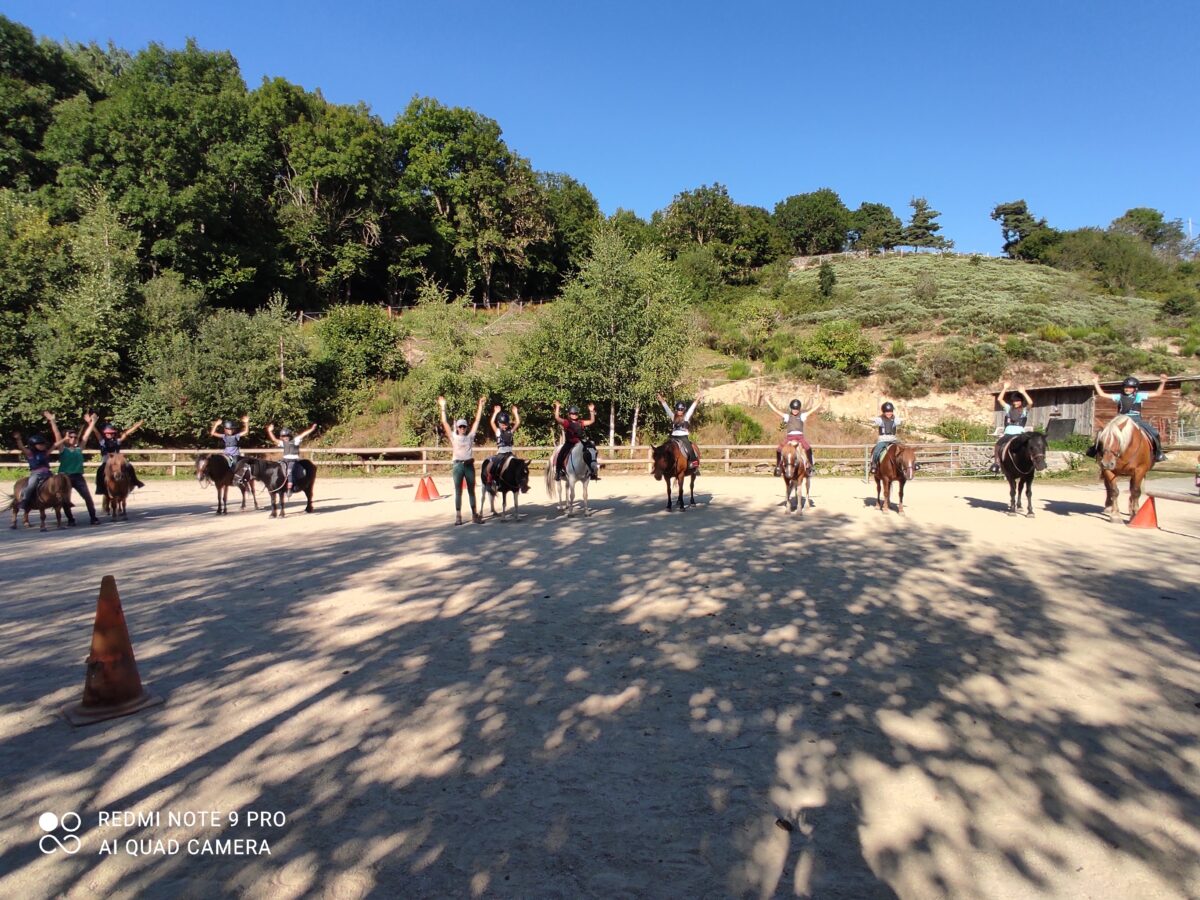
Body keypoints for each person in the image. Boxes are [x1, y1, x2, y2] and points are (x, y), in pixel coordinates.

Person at [1089, 374, 1168, 463]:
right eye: (1126, 387)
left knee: (1154, 432)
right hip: (1121, 419)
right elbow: (1102, 394)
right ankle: (1095, 450)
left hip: (1136, 419)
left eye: (1130, 387)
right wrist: (1095, 383)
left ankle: (1158, 453)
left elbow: (1157, 393)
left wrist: (1162, 383)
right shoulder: (1119, 396)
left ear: (1135, 389)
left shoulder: (1139, 396)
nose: (1127, 389)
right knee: (1105, 432)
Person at [438, 395, 486, 525]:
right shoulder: (453, 437)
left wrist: (480, 406)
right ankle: (458, 516)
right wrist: (443, 407)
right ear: (457, 428)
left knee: (471, 491)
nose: (462, 428)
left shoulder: (470, 436)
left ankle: (474, 515)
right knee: (458, 491)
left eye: (464, 426)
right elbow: (445, 423)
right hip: (458, 466)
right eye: (460, 427)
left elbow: (477, 421)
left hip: (469, 465)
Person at [44, 411, 98, 525]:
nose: (73, 439)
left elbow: (86, 436)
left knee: (87, 497)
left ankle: (93, 518)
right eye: (71, 437)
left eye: (75, 437)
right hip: (65, 477)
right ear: (67, 438)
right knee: (65, 499)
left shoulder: (79, 449)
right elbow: (57, 434)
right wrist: (52, 421)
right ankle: (70, 519)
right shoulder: (63, 449)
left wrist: (93, 422)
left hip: (78, 476)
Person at [766, 391, 823, 476]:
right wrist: (768, 401)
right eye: (793, 409)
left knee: (808, 448)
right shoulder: (787, 416)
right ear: (791, 408)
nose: (795, 411)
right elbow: (776, 410)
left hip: (800, 437)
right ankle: (778, 467)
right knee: (779, 449)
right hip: (789, 437)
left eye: (796, 409)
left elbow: (812, 410)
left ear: (799, 409)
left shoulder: (802, 416)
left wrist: (820, 402)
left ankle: (811, 466)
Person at [91, 418, 145, 496]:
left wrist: (135, 427)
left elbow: (126, 434)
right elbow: (96, 433)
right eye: (107, 433)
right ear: (105, 434)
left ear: (113, 434)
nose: (109, 434)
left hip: (117, 460)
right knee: (100, 470)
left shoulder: (117, 441)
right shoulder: (102, 441)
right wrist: (91, 423)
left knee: (129, 466)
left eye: (111, 433)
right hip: (107, 460)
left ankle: (135, 481)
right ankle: (99, 487)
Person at [990, 382, 1033, 473]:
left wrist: (1024, 392)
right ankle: (997, 463)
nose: (1015, 402)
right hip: (1008, 433)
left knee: (1030, 445)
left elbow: (1030, 402)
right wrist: (1005, 388)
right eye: (1014, 401)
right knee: (998, 444)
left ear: (1021, 402)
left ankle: (1032, 461)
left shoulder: (1024, 410)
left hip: (1019, 434)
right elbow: (999, 399)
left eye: (1017, 401)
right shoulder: (1008, 408)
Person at [553, 402, 601, 481]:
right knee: (561, 454)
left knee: (591, 448)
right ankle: (558, 471)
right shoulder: (566, 422)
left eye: (575, 413)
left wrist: (591, 411)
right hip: (569, 443)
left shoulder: (581, 422)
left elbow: (592, 421)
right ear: (569, 414)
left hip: (579, 443)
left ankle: (592, 472)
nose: (574, 415)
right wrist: (557, 407)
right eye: (572, 413)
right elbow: (557, 418)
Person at [266, 422, 318, 494]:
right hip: (284, 460)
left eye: (287, 436)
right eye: (283, 436)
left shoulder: (295, 441)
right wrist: (270, 431)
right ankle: (277, 485)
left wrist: (312, 429)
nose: (285, 437)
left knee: (289, 471)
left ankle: (290, 488)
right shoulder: (282, 443)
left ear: (290, 436)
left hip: (293, 460)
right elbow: (274, 439)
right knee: (276, 470)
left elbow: (303, 434)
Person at [12, 428, 53, 518]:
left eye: (43, 444)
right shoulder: (30, 453)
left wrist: (63, 439)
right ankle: (25, 500)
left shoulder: (45, 453)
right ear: (34, 445)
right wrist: (18, 439)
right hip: (36, 474)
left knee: (58, 483)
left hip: (48, 474)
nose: (42, 446)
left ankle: (61, 501)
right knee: (31, 485)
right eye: (40, 444)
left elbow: (55, 445)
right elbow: (22, 447)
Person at [658, 392, 702, 474]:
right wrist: (661, 400)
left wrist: (697, 399)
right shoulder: (673, 416)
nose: (680, 411)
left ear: (684, 410)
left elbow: (692, 408)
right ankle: (661, 465)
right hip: (674, 437)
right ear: (676, 409)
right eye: (678, 409)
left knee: (690, 449)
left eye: (681, 409)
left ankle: (694, 465)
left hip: (683, 437)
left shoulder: (686, 416)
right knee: (664, 448)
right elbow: (667, 408)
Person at [483, 404, 521, 487]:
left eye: (506, 424)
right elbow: (491, 422)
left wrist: (515, 412)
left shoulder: (510, 431)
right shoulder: (498, 431)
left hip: (510, 453)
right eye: (503, 425)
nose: (505, 426)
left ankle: (519, 481)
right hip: (501, 453)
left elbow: (518, 422)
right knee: (491, 465)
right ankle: (490, 480)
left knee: (519, 465)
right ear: (499, 424)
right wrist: (495, 412)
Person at [211, 415, 251, 484]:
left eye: (232, 429)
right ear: (225, 430)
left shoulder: (236, 436)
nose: (230, 431)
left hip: (234, 454)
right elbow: (212, 433)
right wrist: (216, 425)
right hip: (226, 454)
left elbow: (246, 431)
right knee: (218, 463)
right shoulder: (224, 436)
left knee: (235, 464)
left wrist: (246, 423)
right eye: (229, 429)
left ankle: (236, 477)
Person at [868, 401, 903, 476]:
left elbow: (903, 419)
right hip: (883, 440)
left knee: (904, 448)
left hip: (893, 439)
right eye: (887, 412)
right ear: (883, 412)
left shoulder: (895, 419)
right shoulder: (880, 419)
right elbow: (871, 419)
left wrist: (905, 412)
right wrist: (868, 412)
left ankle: (909, 465)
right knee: (876, 451)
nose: (889, 413)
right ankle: (874, 465)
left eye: (890, 411)